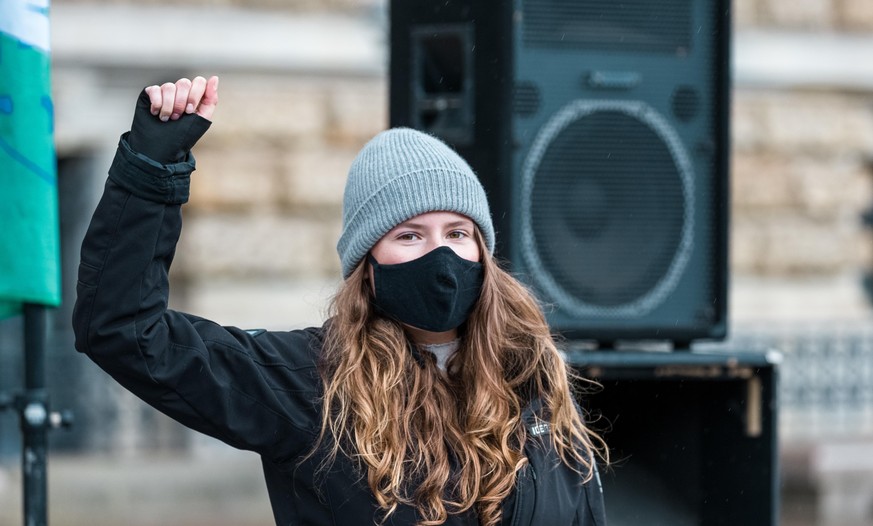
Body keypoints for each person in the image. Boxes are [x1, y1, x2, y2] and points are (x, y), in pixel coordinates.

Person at [73, 76, 607, 526]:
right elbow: (125, 331)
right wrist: (151, 171)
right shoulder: (309, 382)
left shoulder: (536, 381)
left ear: (483, 251)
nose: (440, 255)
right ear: (366, 267)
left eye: (458, 232)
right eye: (409, 236)